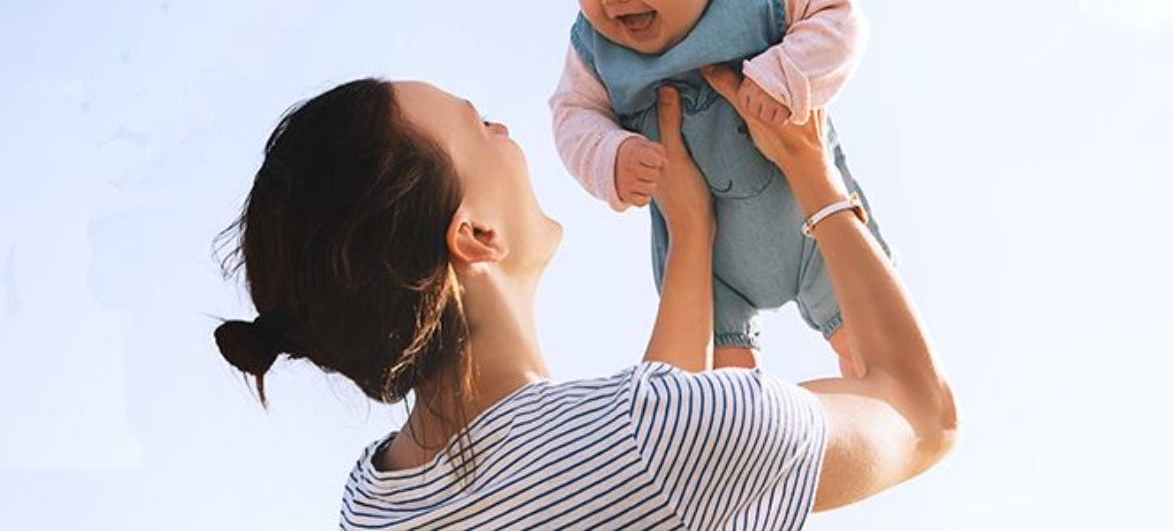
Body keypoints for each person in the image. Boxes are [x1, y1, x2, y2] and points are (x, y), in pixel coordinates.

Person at [214, 66, 956, 529]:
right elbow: (922, 415)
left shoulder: (378, 502)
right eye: (481, 126)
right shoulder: (663, 436)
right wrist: (812, 172)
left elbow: (640, 468)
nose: (507, 130)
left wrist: (690, 234)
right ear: (474, 234)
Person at [537, 0, 889, 371]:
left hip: (811, 219)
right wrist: (610, 155)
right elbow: (572, 115)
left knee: (871, 352)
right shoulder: (593, 52)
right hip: (709, 261)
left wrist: (786, 73)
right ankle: (746, 436)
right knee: (722, 395)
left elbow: (841, 18)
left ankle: (872, 396)